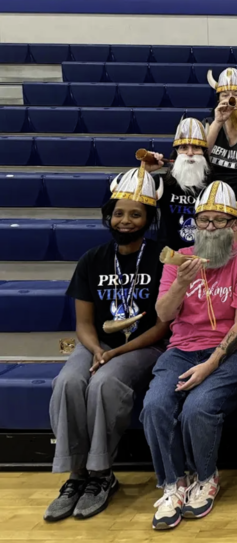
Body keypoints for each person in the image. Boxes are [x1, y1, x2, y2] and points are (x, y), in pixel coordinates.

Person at [44, 167, 169, 523]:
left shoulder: (162, 257)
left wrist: (115, 353)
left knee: (104, 382)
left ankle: (101, 475)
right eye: (119, 213)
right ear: (107, 216)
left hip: (144, 344)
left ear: (148, 218)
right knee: (67, 382)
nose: (126, 220)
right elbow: (83, 324)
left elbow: (162, 326)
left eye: (135, 214)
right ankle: (76, 475)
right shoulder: (92, 259)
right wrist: (97, 349)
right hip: (97, 343)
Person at [143, 181, 237, 530]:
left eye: (219, 220)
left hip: (236, 351)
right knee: (155, 404)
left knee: (198, 408)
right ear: (194, 223)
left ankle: (206, 476)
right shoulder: (180, 259)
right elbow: (165, 315)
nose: (210, 227)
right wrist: (182, 282)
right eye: (204, 220)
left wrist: (210, 365)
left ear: (234, 225)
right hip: (183, 348)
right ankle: (173, 483)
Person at [157, 118, 211, 251]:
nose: (190, 153)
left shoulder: (215, 184)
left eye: (196, 147)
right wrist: (145, 170)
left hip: (206, 254)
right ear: (176, 152)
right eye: (184, 148)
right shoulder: (160, 182)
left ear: (204, 152)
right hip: (168, 253)